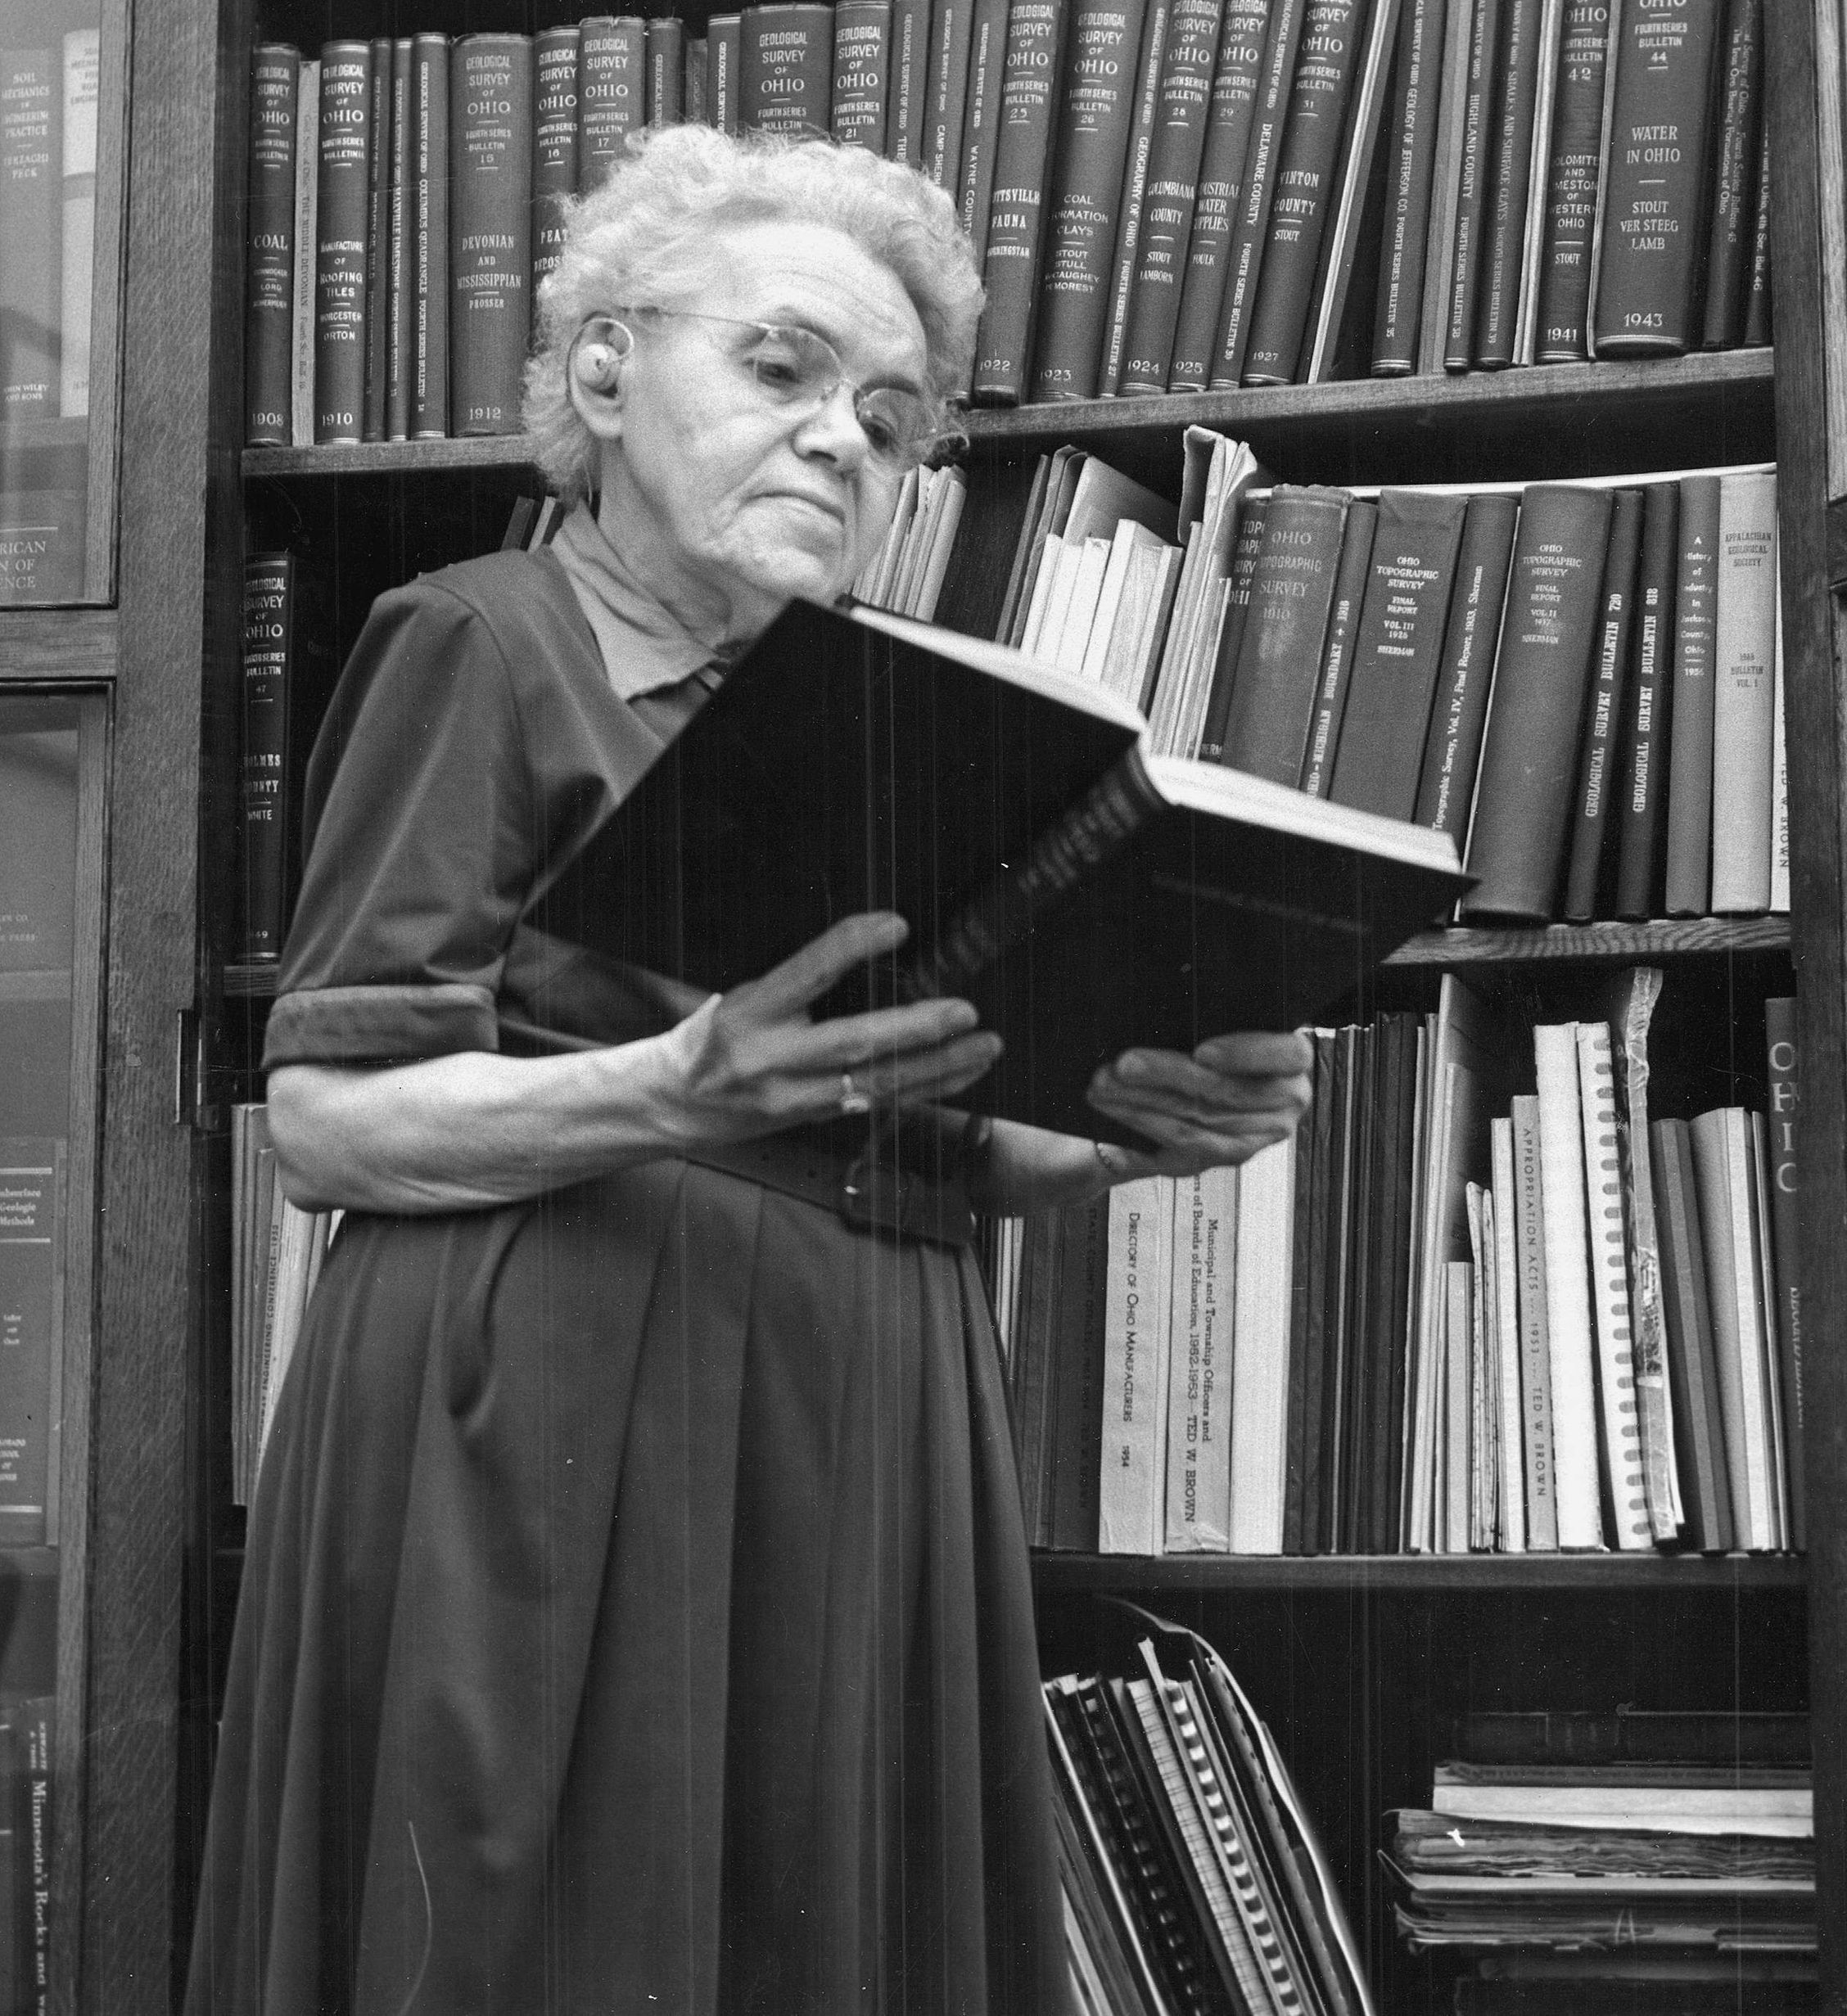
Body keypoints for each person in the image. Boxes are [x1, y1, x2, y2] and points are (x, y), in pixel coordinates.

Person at [187, 126, 1313, 2014]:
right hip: (567, 1412)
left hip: (869, 1402)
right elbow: (326, 1121)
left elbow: (914, 1124)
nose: (840, 442)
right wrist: (672, 1087)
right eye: (780, 367)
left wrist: (1128, 1134)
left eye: (890, 418)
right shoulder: (482, 640)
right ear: (605, 372)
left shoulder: (886, 720)